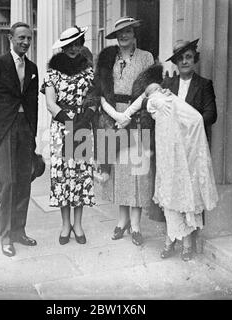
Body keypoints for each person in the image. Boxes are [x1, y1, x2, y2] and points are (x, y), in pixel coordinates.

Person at [90, 17, 156, 246]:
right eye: (120, 33)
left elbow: (149, 89)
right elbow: (100, 91)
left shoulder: (146, 57)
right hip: (112, 119)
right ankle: (122, 221)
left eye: (127, 31)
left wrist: (128, 114)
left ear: (134, 33)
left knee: (136, 172)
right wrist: (115, 115)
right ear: (115, 37)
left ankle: (136, 225)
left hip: (137, 117)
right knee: (118, 170)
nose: (124, 35)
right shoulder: (107, 59)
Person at [0, 22, 40, 257]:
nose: (25, 42)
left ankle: (18, 232)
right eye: (21, 37)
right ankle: (5, 237)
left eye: (29, 38)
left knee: (24, 181)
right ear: (10, 38)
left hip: (25, 131)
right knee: (7, 184)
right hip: (4, 130)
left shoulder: (32, 67)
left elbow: (32, 102)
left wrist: (33, 134)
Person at [158, 39, 218, 261]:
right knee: (170, 193)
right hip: (172, 149)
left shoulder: (204, 85)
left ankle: (187, 243)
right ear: (175, 62)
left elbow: (211, 114)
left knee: (189, 194)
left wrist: (191, 123)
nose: (185, 61)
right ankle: (170, 239)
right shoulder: (168, 85)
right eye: (181, 58)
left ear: (195, 60)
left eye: (189, 57)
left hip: (192, 149)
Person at [41, 26, 96, 245]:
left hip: (82, 125)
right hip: (61, 127)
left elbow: (93, 98)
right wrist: (68, 120)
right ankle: (65, 225)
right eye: (69, 45)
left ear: (82, 44)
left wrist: (85, 118)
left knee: (81, 174)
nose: (73, 49)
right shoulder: (52, 73)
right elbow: (50, 103)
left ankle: (78, 224)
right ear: (62, 48)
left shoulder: (89, 71)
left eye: (77, 44)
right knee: (62, 175)